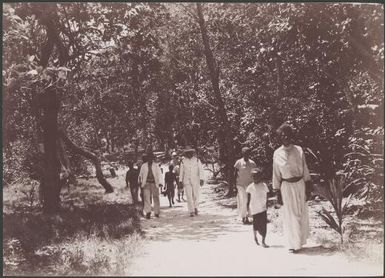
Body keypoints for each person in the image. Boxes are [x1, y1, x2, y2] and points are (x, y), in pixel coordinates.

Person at [272, 123, 311, 253]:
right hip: (286, 187)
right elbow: (276, 174)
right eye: (283, 135)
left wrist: (308, 186)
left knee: (300, 213)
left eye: (288, 135)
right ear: (280, 138)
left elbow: (305, 168)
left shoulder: (299, 150)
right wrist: (277, 193)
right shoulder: (277, 153)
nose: (286, 137)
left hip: (300, 184)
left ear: (291, 135)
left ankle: (300, 241)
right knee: (291, 215)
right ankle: (293, 244)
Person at [247, 168, 270, 248]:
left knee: (263, 225)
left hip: (263, 209)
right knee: (255, 225)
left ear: (260, 176)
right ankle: (255, 236)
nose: (255, 178)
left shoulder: (264, 186)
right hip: (254, 209)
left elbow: (267, 196)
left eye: (257, 176)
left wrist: (267, 204)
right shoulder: (250, 187)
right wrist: (248, 210)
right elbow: (248, 199)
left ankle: (263, 241)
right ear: (251, 177)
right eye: (253, 176)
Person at [179, 146, 204, 217]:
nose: (189, 154)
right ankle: (191, 211)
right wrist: (180, 181)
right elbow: (181, 172)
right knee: (189, 196)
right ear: (186, 154)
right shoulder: (183, 161)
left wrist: (201, 179)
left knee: (195, 195)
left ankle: (196, 207)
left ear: (192, 153)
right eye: (187, 153)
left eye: (190, 153)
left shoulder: (197, 160)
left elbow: (201, 170)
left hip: (195, 180)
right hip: (187, 181)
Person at [234, 147, 257, 224]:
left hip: (250, 185)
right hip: (240, 184)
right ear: (242, 154)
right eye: (244, 153)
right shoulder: (238, 162)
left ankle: (251, 215)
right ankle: (244, 217)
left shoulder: (252, 163)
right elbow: (235, 174)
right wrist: (234, 185)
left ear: (249, 154)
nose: (246, 155)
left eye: (247, 153)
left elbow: (256, 175)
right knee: (243, 200)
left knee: (250, 201)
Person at [139, 151, 162, 219]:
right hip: (146, 183)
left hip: (154, 183)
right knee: (147, 198)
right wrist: (140, 182)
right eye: (148, 158)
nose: (150, 159)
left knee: (156, 198)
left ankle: (156, 212)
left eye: (151, 158)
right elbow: (140, 175)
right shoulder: (143, 166)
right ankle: (148, 212)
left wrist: (160, 182)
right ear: (147, 158)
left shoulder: (156, 165)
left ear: (152, 158)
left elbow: (159, 174)